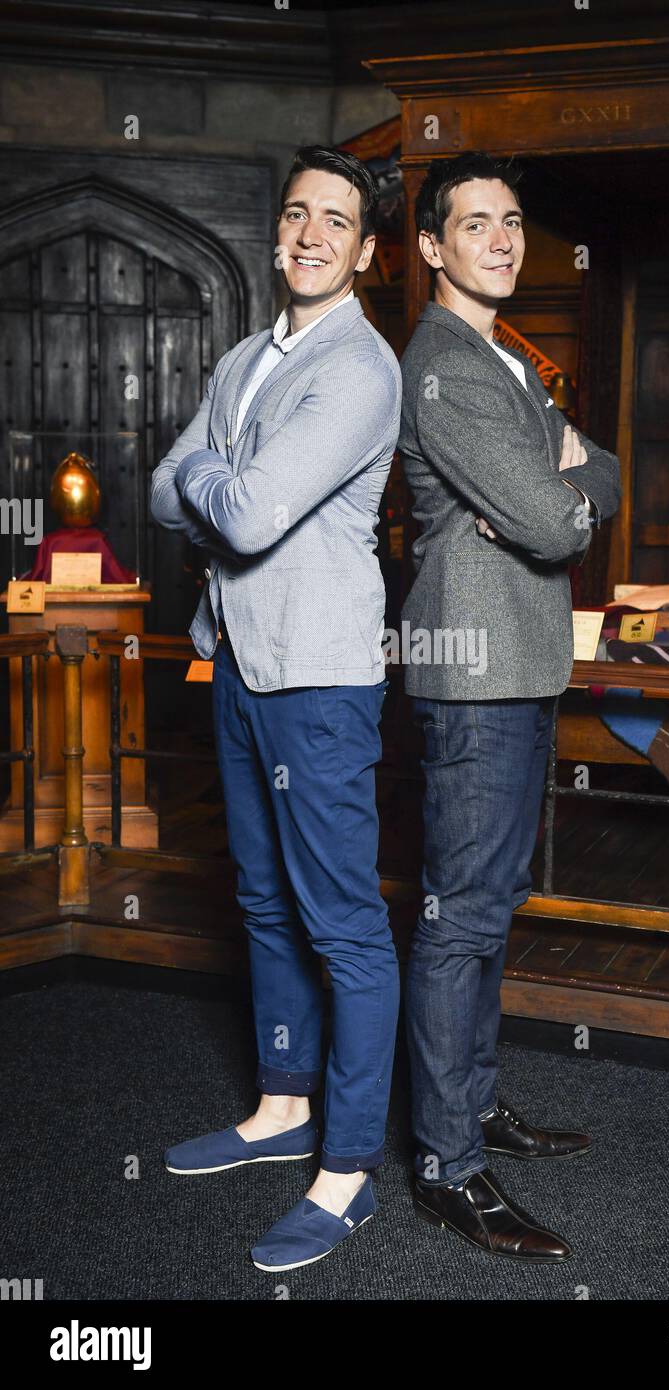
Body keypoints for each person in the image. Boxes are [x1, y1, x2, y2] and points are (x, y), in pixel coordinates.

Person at [150, 145, 402, 1272]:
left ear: (365, 250)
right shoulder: (248, 354)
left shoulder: (359, 366)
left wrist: (214, 478)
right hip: (239, 663)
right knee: (260, 903)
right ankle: (281, 1106)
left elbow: (235, 513)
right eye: (296, 213)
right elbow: (161, 486)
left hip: (321, 681)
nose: (309, 234)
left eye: (333, 221)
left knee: (343, 924)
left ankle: (345, 1169)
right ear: (277, 230)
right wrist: (216, 480)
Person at [399, 151, 621, 1261]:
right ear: (432, 247)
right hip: (474, 669)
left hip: (521, 666)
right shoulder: (443, 365)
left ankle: (470, 1109)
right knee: (459, 918)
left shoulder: (509, 361)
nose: (500, 237)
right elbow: (548, 523)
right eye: (473, 222)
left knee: (488, 905)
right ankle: (444, 1165)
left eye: (512, 220)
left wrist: (561, 491)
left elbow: (600, 479)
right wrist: (558, 495)